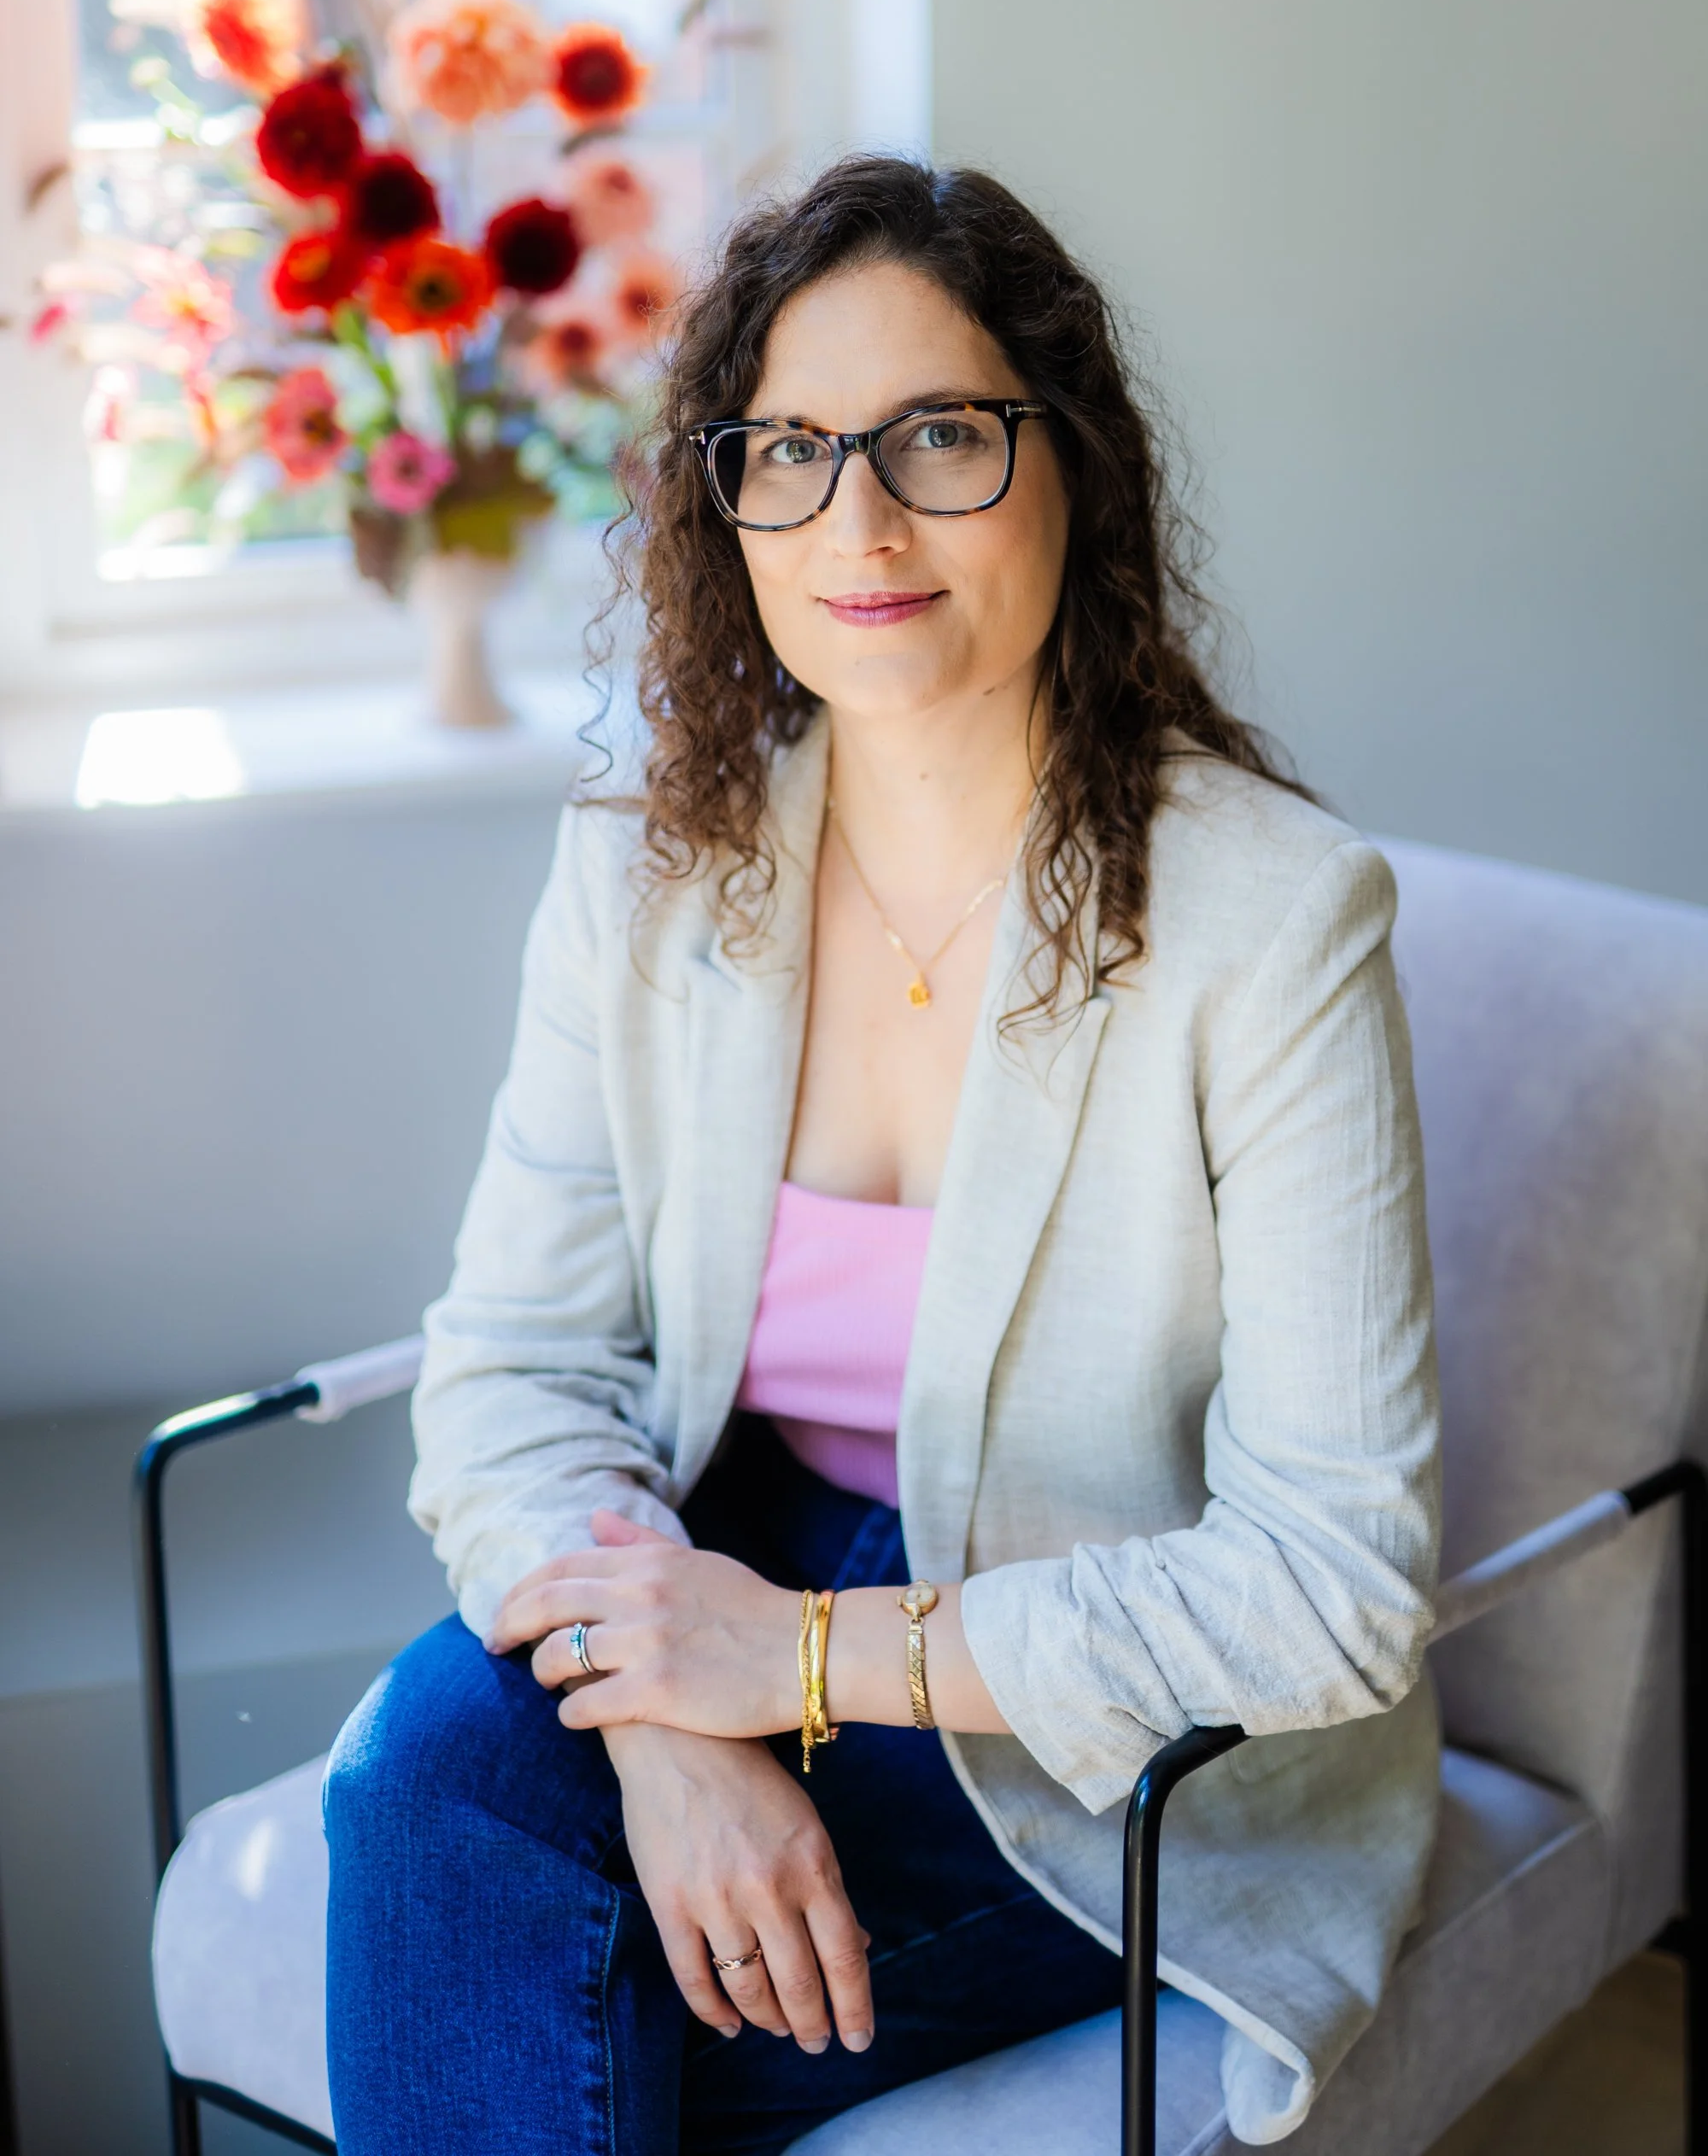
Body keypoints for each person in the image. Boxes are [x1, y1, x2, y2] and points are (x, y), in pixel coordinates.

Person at [323, 157, 1441, 2154]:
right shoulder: (645, 874)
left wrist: (810, 1662)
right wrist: (683, 1716)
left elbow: (1331, 1584)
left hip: (1102, 1718)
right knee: (425, 1774)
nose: (858, 521)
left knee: (559, 2010)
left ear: (1066, 461)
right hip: (725, 1556)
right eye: (789, 451)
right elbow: (510, 1372)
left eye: (936, 437)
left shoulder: (1272, 920)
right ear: (723, 501)